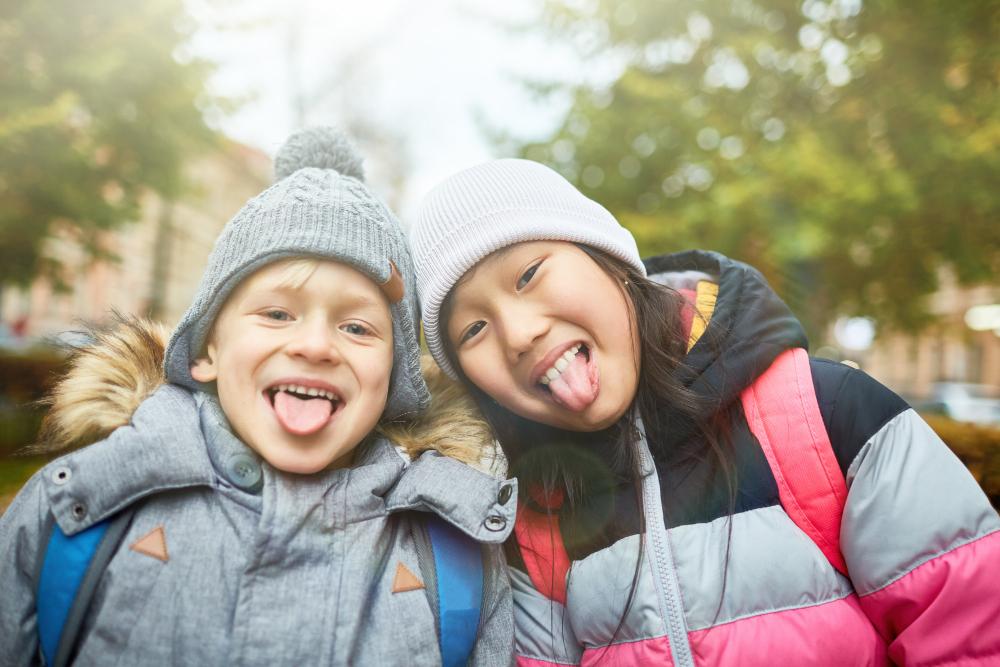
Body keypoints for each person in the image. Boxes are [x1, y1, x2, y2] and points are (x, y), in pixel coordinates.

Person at [407, 158, 1000, 666]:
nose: (516, 334)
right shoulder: (534, 515)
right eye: (472, 329)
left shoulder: (828, 414)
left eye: (529, 274)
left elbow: (972, 638)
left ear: (609, 259)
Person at [0, 128, 515, 666]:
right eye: (276, 314)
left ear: (393, 385)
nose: (315, 345)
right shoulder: (83, 505)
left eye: (358, 327)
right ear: (207, 353)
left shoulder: (453, 554)